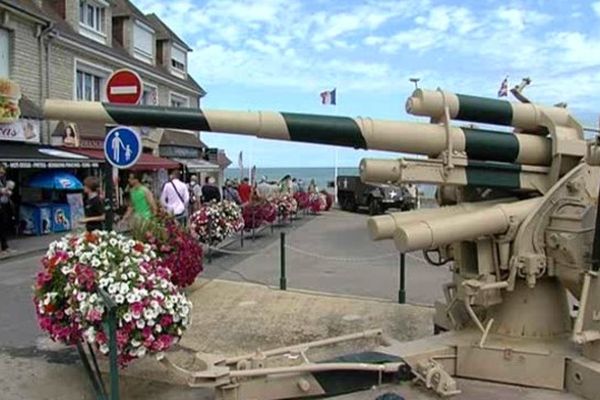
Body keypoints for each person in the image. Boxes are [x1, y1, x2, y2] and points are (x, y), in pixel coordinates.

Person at [0, 164, 14, 254]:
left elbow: (7, 192)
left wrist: (8, 191)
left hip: (4, 205)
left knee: (4, 226)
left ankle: (5, 246)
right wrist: (6, 189)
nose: (2, 174)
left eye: (3, 173)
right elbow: (2, 191)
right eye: (1, 172)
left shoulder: (3, 180)